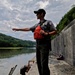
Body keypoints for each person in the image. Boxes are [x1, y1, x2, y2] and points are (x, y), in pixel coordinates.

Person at [12, 9, 57, 75]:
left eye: (37, 13)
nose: (36, 15)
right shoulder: (37, 25)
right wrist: (18, 29)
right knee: (38, 62)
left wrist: (46, 33)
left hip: (45, 44)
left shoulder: (48, 22)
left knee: (44, 63)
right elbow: (28, 29)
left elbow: (55, 31)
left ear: (42, 14)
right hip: (37, 45)